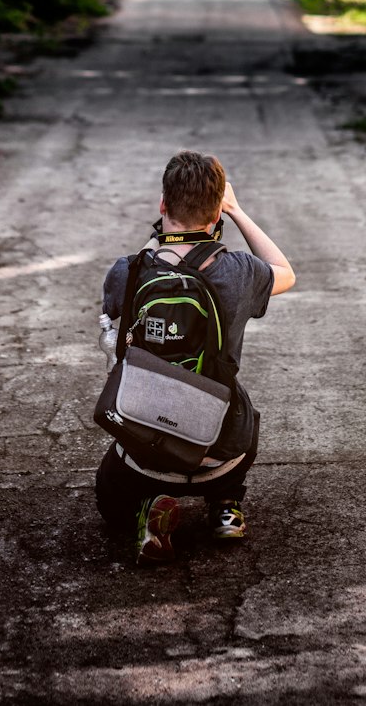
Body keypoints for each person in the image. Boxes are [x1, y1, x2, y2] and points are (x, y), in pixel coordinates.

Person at [95, 150, 295, 563]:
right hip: (218, 449)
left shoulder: (127, 271)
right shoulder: (240, 272)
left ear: (163, 205)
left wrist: (157, 242)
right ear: (218, 211)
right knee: (244, 412)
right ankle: (225, 505)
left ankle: (147, 509)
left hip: (144, 450)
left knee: (109, 505)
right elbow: (285, 271)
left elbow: (121, 299)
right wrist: (237, 211)